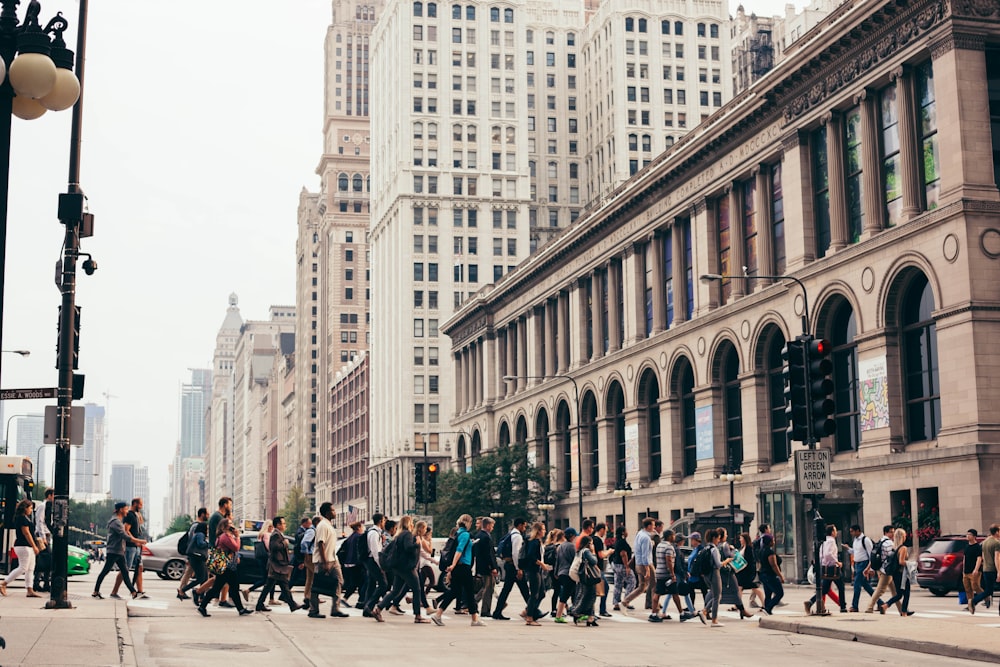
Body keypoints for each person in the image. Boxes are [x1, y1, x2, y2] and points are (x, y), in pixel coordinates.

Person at [375, 515, 433, 623]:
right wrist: (416, 544)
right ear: (408, 523)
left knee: (395, 591)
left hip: (398, 567)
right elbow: (408, 547)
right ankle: (418, 616)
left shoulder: (399, 535)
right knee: (417, 589)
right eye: (411, 522)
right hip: (407, 567)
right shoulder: (407, 534)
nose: (412, 525)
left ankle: (378, 609)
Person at [431, 514, 486, 627]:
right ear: (468, 523)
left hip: (458, 567)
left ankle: (438, 614)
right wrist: (453, 565)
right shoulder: (465, 535)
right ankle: (474, 619)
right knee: (469, 592)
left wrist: (452, 568)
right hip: (463, 566)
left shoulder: (457, 533)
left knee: (454, 592)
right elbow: (459, 551)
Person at [198, 519, 252, 617]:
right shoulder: (225, 536)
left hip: (227, 565)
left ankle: (203, 606)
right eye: (230, 523)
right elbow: (236, 548)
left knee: (223, 588)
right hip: (227, 566)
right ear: (225, 526)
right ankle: (240, 609)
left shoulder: (224, 536)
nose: (232, 525)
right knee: (228, 588)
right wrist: (238, 537)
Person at [92, 502, 140, 600]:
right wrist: (138, 541)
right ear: (121, 509)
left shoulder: (118, 521)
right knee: (105, 571)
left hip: (118, 551)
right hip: (114, 551)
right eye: (126, 509)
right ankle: (96, 591)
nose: (127, 511)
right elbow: (124, 535)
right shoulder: (116, 522)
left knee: (125, 572)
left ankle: (133, 592)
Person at [254, 517, 301, 613]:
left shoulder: (277, 533)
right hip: (277, 564)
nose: (285, 525)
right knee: (283, 584)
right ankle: (292, 604)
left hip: (277, 564)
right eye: (283, 523)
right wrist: (285, 543)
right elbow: (274, 547)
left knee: (271, 585)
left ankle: (260, 604)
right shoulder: (276, 534)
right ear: (278, 525)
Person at [310, 502, 347, 618]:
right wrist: (325, 562)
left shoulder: (329, 525)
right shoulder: (322, 525)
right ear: (327, 512)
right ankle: (313, 610)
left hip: (333, 559)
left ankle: (335, 609)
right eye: (333, 510)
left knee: (339, 581)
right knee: (317, 585)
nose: (335, 512)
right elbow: (321, 544)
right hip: (323, 560)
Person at [514, 521, 551, 626]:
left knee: (542, 592)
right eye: (543, 529)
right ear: (539, 531)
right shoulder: (534, 542)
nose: (545, 531)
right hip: (533, 569)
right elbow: (531, 557)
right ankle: (529, 617)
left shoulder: (537, 541)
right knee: (534, 594)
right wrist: (542, 564)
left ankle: (527, 611)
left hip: (536, 569)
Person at [493, 518, 531, 620]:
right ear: (519, 525)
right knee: (524, 590)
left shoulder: (510, 534)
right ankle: (533, 610)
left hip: (510, 565)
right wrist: (519, 568)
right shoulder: (517, 537)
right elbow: (516, 553)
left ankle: (497, 612)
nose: (524, 528)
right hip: (514, 567)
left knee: (507, 590)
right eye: (524, 526)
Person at [3, 499, 41, 597]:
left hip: (27, 547)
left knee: (30, 569)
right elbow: (26, 533)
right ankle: (4, 583)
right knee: (23, 568)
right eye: (30, 508)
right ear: (25, 508)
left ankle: (30, 589)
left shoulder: (24, 518)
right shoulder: (22, 519)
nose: (31, 510)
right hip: (23, 546)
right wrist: (34, 546)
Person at [112, 498, 148, 599]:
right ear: (135, 504)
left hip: (136, 547)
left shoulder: (135, 515)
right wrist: (136, 540)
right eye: (140, 504)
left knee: (139, 568)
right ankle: (114, 592)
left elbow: (138, 526)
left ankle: (140, 591)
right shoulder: (130, 515)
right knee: (125, 569)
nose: (141, 506)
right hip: (130, 546)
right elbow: (126, 530)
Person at [804, 524, 842, 615]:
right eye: (835, 530)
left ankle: (819, 605)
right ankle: (842, 605)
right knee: (836, 587)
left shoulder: (824, 541)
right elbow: (828, 554)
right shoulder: (831, 541)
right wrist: (837, 562)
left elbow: (821, 555)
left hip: (824, 567)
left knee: (825, 589)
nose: (836, 532)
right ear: (832, 532)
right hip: (831, 568)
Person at [621, 517, 656, 614]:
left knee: (642, 587)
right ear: (649, 526)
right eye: (653, 525)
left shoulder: (639, 534)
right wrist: (648, 570)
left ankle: (624, 602)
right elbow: (645, 555)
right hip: (646, 564)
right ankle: (655, 609)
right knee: (654, 585)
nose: (654, 527)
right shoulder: (645, 538)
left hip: (638, 563)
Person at [177, 507, 209, 600]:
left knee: (201, 576)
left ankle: (198, 595)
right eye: (207, 514)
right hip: (196, 556)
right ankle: (184, 590)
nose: (208, 516)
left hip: (196, 556)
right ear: (202, 514)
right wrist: (207, 543)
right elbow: (194, 542)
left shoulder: (196, 526)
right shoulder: (197, 527)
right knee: (200, 577)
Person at [865, 525, 897, 613]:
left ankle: (902, 609)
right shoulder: (889, 543)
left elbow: (875, 557)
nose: (892, 534)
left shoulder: (881, 541)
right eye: (891, 532)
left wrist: (869, 568)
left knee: (895, 591)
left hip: (881, 569)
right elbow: (893, 556)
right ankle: (869, 607)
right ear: (886, 532)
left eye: (893, 532)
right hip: (887, 570)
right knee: (880, 590)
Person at [883, 527, 914, 616]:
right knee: (906, 593)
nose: (905, 537)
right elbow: (901, 561)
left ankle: (886, 605)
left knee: (899, 594)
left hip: (895, 574)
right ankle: (904, 612)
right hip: (902, 574)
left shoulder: (894, 548)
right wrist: (910, 564)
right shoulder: (903, 548)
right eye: (904, 535)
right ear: (902, 537)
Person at [696, 528, 724, 627]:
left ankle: (704, 611)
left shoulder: (705, 548)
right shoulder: (714, 549)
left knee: (714, 594)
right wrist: (727, 561)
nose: (719, 540)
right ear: (714, 538)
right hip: (714, 573)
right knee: (717, 596)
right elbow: (718, 564)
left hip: (706, 574)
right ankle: (714, 620)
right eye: (718, 538)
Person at [362, 513, 388, 617]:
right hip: (373, 561)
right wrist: (381, 566)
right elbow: (375, 551)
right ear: (380, 521)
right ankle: (369, 606)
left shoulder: (376, 533)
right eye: (384, 521)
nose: (384, 523)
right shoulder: (374, 533)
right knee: (383, 584)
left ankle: (367, 608)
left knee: (371, 584)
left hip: (372, 560)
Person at [473, 516, 499, 618]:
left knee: (487, 587)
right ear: (488, 525)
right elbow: (489, 554)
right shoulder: (486, 537)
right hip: (487, 567)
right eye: (492, 525)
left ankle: (473, 603)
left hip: (481, 565)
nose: (492, 528)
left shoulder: (478, 535)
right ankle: (485, 609)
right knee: (488, 588)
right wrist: (493, 567)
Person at [972, 524, 1000, 612]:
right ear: (996, 532)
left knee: (988, 590)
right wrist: (999, 571)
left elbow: (983, 556)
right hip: (993, 569)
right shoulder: (996, 543)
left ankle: (974, 601)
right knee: (989, 590)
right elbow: (997, 558)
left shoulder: (984, 542)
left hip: (986, 569)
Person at [848, 524, 875, 612]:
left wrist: (870, 568)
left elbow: (871, 554)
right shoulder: (855, 540)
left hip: (864, 564)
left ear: (857, 531)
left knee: (856, 585)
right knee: (866, 586)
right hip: (857, 564)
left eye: (852, 531)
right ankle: (880, 602)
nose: (851, 533)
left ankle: (854, 606)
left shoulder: (865, 540)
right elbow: (855, 552)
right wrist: (848, 549)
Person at [575, 535, 600, 626]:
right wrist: (593, 552)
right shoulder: (586, 551)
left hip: (583, 576)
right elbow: (594, 561)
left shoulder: (580, 551)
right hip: (588, 577)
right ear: (588, 544)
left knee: (588, 595)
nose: (593, 545)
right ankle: (575, 611)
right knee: (590, 596)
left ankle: (591, 618)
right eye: (592, 543)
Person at [735, 532, 764, 611]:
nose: (740, 540)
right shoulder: (742, 548)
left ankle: (764, 604)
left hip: (747, 572)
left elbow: (749, 561)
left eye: (741, 538)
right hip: (742, 572)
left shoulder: (748, 548)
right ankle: (738, 605)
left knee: (754, 588)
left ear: (745, 539)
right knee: (740, 588)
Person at [757, 533, 784, 615]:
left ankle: (767, 609)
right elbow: (774, 565)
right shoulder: (770, 552)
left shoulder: (761, 550)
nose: (774, 542)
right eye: (773, 540)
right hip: (770, 575)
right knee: (779, 593)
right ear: (769, 542)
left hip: (763, 574)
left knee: (768, 593)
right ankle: (768, 608)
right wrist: (780, 576)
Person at [247, 521, 275, 600]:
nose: (272, 528)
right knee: (268, 578)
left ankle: (271, 599)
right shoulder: (266, 534)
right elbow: (268, 546)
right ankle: (249, 590)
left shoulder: (260, 534)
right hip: (266, 559)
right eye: (271, 526)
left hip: (261, 558)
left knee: (269, 578)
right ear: (267, 526)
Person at [554, 527, 577, 622]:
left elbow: (557, 561)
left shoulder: (560, 546)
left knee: (573, 593)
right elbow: (574, 561)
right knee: (566, 594)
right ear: (571, 536)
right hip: (569, 573)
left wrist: (556, 572)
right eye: (575, 536)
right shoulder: (571, 546)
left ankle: (576, 613)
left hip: (561, 573)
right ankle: (558, 616)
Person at [32, 488, 53, 592]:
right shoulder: (42, 506)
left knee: (45, 560)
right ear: (49, 495)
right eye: (54, 495)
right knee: (44, 559)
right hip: (41, 537)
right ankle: (39, 583)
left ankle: (43, 583)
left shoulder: (48, 507)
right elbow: (39, 522)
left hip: (46, 536)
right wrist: (43, 537)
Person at [611, 525, 635, 611]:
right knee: (632, 581)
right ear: (623, 532)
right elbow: (623, 554)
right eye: (626, 530)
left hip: (616, 564)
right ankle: (626, 601)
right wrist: (627, 566)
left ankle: (616, 602)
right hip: (622, 565)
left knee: (618, 583)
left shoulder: (617, 541)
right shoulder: (622, 542)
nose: (627, 532)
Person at [298, 517, 317, 611]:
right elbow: (304, 542)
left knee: (310, 578)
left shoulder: (312, 530)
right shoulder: (312, 531)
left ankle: (307, 597)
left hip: (310, 556)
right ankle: (311, 599)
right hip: (311, 556)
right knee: (315, 578)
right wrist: (307, 554)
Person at [963, 528, 984, 614]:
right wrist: (963, 569)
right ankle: (970, 605)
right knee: (968, 589)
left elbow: (979, 559)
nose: (967, 536)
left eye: (970, 534)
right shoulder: (967, 546)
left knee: (975, 586)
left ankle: (985, 596)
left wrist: (976, 569)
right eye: (967, 534)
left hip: (974, 571)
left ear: (974, 536)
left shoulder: (977, 547)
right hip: (966, 571)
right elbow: (964, 558)